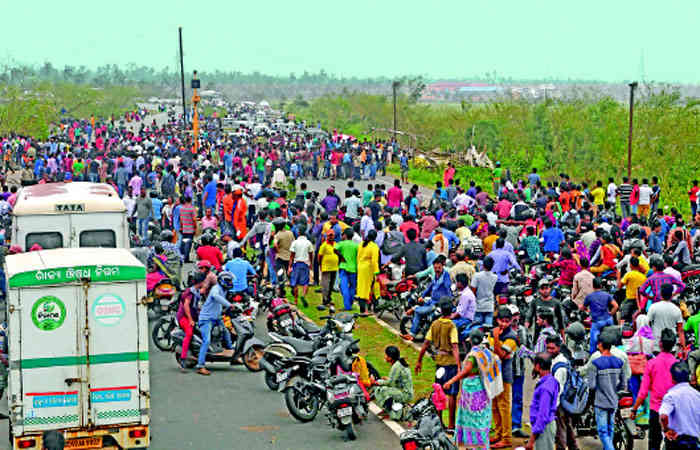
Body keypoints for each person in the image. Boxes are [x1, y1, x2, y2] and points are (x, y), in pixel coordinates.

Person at [444, 329, 496, 449]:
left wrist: (451, 381)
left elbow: (466, 371)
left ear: (471, 341)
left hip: (472, 390)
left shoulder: (473, 355)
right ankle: (480, 444)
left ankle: (473, 445)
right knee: (481, 417)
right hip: (483, 388)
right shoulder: (486, 351)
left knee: (471, 418)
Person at [416, 301, 461, 431]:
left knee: (438, 392)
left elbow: (425, 343)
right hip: (450, 363)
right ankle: (451, 425)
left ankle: (439, 422)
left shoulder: (434, 324)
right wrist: (459, 365)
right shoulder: (452, 326)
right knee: (452, 394)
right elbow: (454, 346)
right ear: (451, 312)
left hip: (439, 362)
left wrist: (419, 360)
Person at [631, 328, 678, 450]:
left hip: (656, 410)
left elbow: (643, 392)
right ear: (673, 345)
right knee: (672, 443)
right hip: (673, 411)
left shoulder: (652, 363)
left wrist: (634, 409)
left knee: (654, 444)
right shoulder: (677, 364)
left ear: (660, 344)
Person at [586, 333, 627, 450]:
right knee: (610, 429)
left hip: (601, 402)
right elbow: (623, 385)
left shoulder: (595, 363)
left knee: (603, 431)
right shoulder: (619, 362)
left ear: (600, 345)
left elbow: (592, 385)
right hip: (614, 401)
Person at [403, 255, 452, 341]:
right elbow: (430, 287)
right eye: (435, 268)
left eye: (439, 268)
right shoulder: (436, 276)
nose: (437, 270)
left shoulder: (445, 276)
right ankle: (414, 332)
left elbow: (448, 290)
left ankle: (412, 334)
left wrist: (447, 301)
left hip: (437, 304)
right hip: (431, 301)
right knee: (419, 308)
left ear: (442, 266)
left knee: (417, 311)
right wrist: (422, 296)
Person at [490, 306, 518, 449]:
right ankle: (498, 432)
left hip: (504, 376)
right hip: (493, 374)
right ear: (497, 320)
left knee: (504, 406)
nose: (504, 324)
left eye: (507, 321)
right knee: (494, 405)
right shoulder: (492, 332)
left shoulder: (512, 336)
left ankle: (506, 438)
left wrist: (495, 338)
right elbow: (489, 351)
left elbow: (500, 354)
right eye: (502, 321)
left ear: (511, 321)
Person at [196, 272, 234, 376]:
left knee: (226, 333)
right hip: (206, 319)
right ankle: (200, 366)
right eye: (228, 281)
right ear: (222, 281)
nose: (230, 283)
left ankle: (233, 355)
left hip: (216, 318)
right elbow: (216, 296)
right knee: (206, 341)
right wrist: (229, 305)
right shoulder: (216, 289)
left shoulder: (224, 290)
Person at [547, 335, 580, 450]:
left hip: (560, 400)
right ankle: (573, 447)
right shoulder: (558, 360)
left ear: (559, 348)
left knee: (560, 428)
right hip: (565, 399)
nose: (550, 351)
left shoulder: (560, 367)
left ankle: (561, 447)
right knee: (567, 424)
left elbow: (558, 389)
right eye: (548, 348)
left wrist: (553, 406)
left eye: (552, 348)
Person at [659, 362, 700, 450]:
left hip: (676, 441)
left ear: (672, 378)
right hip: (694, 442)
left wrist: (666, 430)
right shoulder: (697, 395)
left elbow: (663, 416)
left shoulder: (671, 395)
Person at [525, 353, 559, 450]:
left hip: (544, 428)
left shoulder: (545, 388)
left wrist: (532, 439)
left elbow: (543, 416)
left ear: (538, 366)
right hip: (545, 426)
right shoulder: (551, 381)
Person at [176, 272, 206, 371]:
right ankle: (183, 359)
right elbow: (186, 306)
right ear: (200, 282)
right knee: (189, 333)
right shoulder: (190, 292)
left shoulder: (197, 291)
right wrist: (190, 320)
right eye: (204, 281)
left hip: (193, 315)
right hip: (183, 317)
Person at [374, 346, 413, 421]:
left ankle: (392, 412)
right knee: (384, 388)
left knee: (380, 390)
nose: (385, 356)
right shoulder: (399, 363)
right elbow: (395, 381)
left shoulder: (396, 366)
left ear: (390, 357)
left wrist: (376, 382)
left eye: (386, 355)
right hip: (406, 392)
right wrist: (387, 379)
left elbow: (390, 383)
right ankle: (389, 408)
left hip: (405, 394)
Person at [584, 277, 618, 354]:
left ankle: (592, 355)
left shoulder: (590, 296)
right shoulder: (607, 295)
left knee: (593, 342)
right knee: (612, 338)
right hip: (608, 320)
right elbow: (616, 306)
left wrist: (588, 311)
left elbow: (583, 307)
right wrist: (611, 313)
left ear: (593, 286)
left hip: (597, 322)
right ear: (601, 286)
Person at [647, 284, 685, 352]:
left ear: (660, 293)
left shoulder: (653, 307)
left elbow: (647, 325)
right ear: (672, 294)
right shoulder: (676, 309)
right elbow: (680, 331)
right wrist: (684, 348)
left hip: (656, 345)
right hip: (671, 346)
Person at [356, 229, 380, 314]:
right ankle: (373, 307)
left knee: (361, 288)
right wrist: (376, 272)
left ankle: (362, 309)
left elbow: (358, 257)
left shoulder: (361, 244)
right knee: (370, 288)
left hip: (360, 266)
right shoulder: (374, 246)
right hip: (368, 268)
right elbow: (374, 261)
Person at [335, 228, 358, 311]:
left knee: (344, 287)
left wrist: (341, 256)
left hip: (344, 267)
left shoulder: (342, 243)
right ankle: (350, 302)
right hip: (353, 268)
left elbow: (335, 249)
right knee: (352, 287)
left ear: (345, 235)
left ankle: (347, 306)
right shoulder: (356, 245)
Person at [288, 231, 314, 307]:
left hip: (296, 264)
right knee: (305, 282)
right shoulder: (308, 243)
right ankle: (303, 295)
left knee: (295, 283)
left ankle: (296, 300)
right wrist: (310, 263)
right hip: (305, 264)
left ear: (298, 233)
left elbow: (292, 256)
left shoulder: (295, 242)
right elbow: (311, 254)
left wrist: (289, 267)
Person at [471, 256, 498, 327]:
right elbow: (495, 291)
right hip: (489, 306)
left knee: (477, 328)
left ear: (483, 265)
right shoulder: (495, 277)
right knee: (488, 329)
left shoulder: (477, 276)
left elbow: (473, 291)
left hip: (478, 306)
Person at [317, 230, 339, 310]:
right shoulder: (324, 245)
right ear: (327, 236)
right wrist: (320, 265)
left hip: (334, 267)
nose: (331, 237)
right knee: (325, 284)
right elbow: (319, 256)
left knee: (331, 284)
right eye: (329, 235)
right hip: (326, 267)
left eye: (332, 235)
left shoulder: (336, 244)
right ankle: (324, 300)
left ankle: (329, 299)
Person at [451, 273, 476, 341]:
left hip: (465, 319)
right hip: (465, 317)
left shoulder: (465, 295)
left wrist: (449, 317)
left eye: (457, 282)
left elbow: (459, 313)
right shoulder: (466, 292)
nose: (456, 284)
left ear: (460, 283)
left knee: (447, 324)